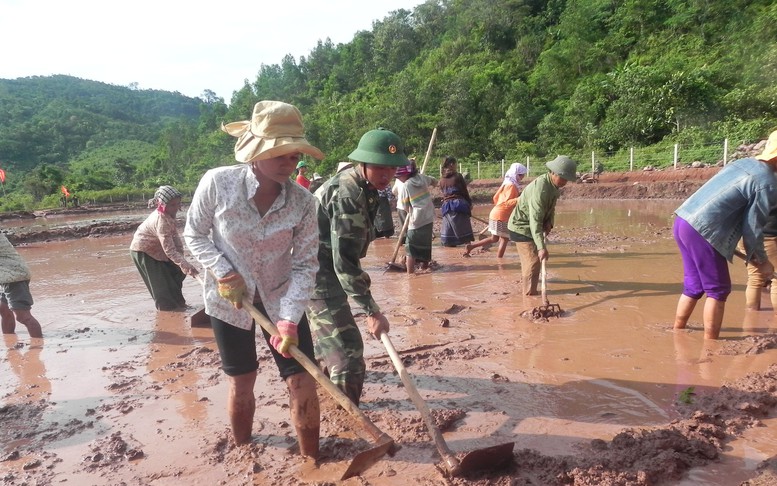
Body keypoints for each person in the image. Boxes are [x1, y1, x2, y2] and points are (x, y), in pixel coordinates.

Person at [183, 100, 322, 456]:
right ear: (255, 153)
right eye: (279, 154)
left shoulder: (304, 202)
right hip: (229, 301)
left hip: (280, 299)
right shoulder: (218, 183)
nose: (288, 164)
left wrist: (290, 319)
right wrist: (224, 271)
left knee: (302, 381)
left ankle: (312, 460)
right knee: (242, 380)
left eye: (294, 156)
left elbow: (305, 265)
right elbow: (194, 235)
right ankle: (244, 447)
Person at [309, 128, 406, 405]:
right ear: (363, 163)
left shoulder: (367, 187)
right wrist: (371, 311)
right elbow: (345, 263)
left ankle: (325, 398)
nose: (386, 175)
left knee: (329, 347)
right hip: (318, 275)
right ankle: (346, 419)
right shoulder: (348, 195)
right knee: (348, 354)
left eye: (392, 167)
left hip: (326, 270)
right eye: (379, 167)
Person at [673, 130, 777, 339]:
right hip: (703, 231)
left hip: (682, 221)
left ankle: (678, 331)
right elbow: (752, 228)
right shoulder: (767, 182)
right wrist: (761, 261)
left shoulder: (743, 163)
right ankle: (711, 347)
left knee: (694, 285)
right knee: (719, 290)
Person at [508, 155, 578, 295]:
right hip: (521, 227)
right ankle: (528, 297)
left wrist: (550, 223)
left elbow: (551, 208)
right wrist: (541, 247)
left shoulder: (554, 186)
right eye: (562, 178)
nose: (564, 182)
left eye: (567, 179)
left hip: (533, 226)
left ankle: (531, 291)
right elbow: (535, 219)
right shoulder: (541, 188)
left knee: (534, 263)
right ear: (553, 172)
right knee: (533, 262)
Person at [130, 185, 199, 311]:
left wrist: (182, 261)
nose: (176, 208)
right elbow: (169, 250)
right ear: (162, 205)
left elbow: (175, 238)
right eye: (172, 205)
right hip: (144, 251)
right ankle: (168, 311)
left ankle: (180, 306)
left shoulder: (169, 216)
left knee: (176, 275)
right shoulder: (161, 220)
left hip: (158, 250)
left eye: (178, 204)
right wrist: (185, 264)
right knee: (161, 285)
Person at [464, 163, 527, 258]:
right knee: (504, 239)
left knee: (494, 238)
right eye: (521, 175)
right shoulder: (511, 186)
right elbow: (507, 203)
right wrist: (520, 199)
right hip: (502, 215)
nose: (522, 177)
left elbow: (495, 198)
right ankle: (499, 261)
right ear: (516, 174)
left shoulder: (506, 183)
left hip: (495, 212)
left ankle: (471, 246)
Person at [395, 159, 437, 273]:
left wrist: (410, 211)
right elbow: (434, 181)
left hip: (416, 219)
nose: (398, 178)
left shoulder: (406, 186)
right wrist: (432, 183)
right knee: (426, 243)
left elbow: (404, 205)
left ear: (405, 174)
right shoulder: (422, 178)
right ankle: (425, 267)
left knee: (410, 247)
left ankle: (410, 273)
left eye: (399, 176)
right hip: (428, 216)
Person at [0, 232, 43, 338]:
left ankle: (37, 347)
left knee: (23, 316)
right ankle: (9, 342)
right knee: (4, 309)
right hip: (7, 276)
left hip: (13, 276)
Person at [743, 209, 777, 311]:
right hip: (769, 237)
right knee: (776, 279)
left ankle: (751, 315)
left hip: (747, 234)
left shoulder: (757, 192)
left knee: (755, 277)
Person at [438, 156, 474, 247]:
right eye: (456, 164)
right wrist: (469, 203)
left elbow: (444, 194)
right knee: (464, 229)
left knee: (449, 231)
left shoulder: (441, 180)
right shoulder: (458, 176)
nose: (456, 166)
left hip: (446, 207)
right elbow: (464, 191)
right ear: (451, 164)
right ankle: (468, 249)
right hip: (458, 205)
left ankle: (449, 254)